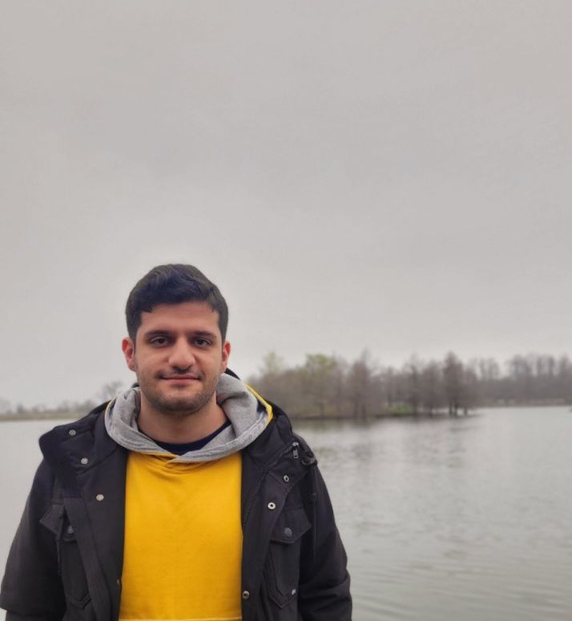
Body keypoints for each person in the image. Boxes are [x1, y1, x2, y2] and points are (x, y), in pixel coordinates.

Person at [0, 264, 351, 621]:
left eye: (201, 341)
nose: (182, 358)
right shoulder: (70, 465)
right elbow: (30, 609)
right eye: (160, 340)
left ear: (224, 354)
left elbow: (326, 597)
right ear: (130, 353)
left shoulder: (285, 460)